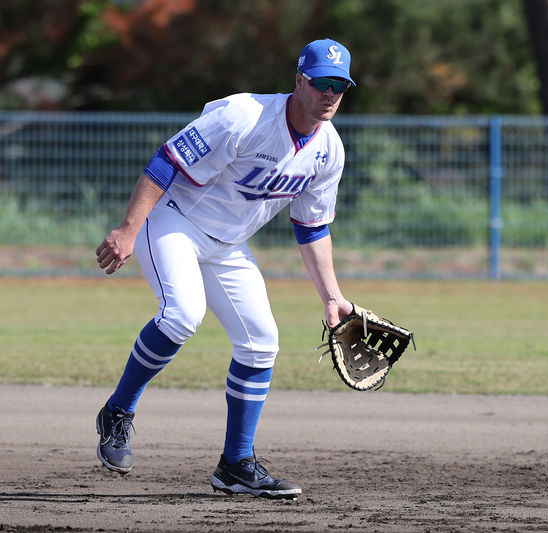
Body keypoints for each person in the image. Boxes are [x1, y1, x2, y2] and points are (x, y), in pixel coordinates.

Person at [94, 38, 355, 500]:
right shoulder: (244, 116)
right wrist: (129, 229)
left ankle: (235, 465)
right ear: (299, 80)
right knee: (182, 314)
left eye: (340, 86)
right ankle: (118, 411)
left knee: (261, 343)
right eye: (322, 83)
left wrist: (332, 297)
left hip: (228, 244)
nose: (330, 94)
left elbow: (311, 227)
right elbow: (166, 161)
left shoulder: (328, 150)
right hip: (174, 220)